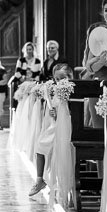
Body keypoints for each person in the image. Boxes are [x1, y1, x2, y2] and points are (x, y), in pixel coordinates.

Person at [29, 64, 74, 196]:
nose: (59, 82)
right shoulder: (57, 92)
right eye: (57, 79)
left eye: (62, 78)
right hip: (55, 126)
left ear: (70, 77)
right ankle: (40, 180)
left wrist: (59, 114)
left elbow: (73, 112)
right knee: (40, 147)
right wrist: (52, 112)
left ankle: (59, 184)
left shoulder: (70, 90)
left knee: (51, 150)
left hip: (66, 127)